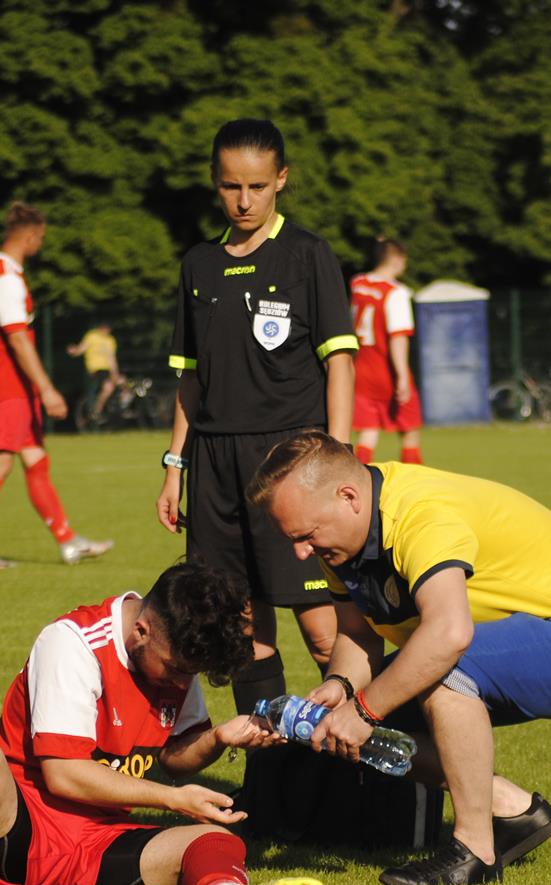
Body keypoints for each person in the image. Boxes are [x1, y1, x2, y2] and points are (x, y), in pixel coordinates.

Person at [246, 432, 551, 885]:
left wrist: (364, 708)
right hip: (533, 640)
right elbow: (357, 632)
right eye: (294, 539)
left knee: (439, 673)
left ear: (348, 497)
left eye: (306, 536)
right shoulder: (338, 537)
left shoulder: (419, 515)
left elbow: (449, 634)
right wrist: (342, 689)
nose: (301, 552)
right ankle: (512, 811)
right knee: (361, 722)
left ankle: (474, 852)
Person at [0, 561, 327, 885]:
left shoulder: (174, 662)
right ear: (141, 630)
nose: (180, 682)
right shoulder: (72, 642)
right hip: (19, 833)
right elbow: (64, 775)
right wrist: (174, 799)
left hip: (100, 842)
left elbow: (174, 758)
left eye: (189, 673)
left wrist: (217, 737)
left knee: (216, 840)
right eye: (174, 669)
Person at [155, 118, 357, 717]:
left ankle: (373, 766)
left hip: (290, 461)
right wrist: (174, 467)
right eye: (230, 186)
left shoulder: (308, 254)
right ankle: (271, 777)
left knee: (325, 631)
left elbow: (340, 361)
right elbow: (190, 378)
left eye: (257, 187)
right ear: (216, 184)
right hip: (214, 465)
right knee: (242, 632)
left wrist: (334, 459)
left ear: (281, 181)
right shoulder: (198, 264)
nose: (243, 200)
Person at [0, 202, 112, 569]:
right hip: (8, 389)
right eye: (40, 238)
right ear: (29, 236)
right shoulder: (6, 280)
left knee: (36, 462)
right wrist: (46, 388)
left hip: (8, 388)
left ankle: (68, 541)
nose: (41, 245)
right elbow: (17, 340)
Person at [350, 236, 423, 464]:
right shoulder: (396, 293)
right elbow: (398, 338)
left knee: (368, 430)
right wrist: (402, 376)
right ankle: (415, 484)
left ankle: (357, 479)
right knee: (410, 429)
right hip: (386, 371)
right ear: (398, 259)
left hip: (360, 369)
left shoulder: (358, 284)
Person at [66, 322, 126, 427]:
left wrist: (115, 373)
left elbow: (112, 358)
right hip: (96, 368)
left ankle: (120, 407)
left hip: (107, 369)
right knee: (108, 387)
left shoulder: (110, 340)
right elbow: (82, 348)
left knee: (123, 382)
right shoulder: (92, 336)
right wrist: (74, 351)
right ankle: (97, 410)